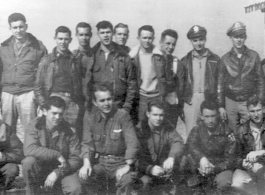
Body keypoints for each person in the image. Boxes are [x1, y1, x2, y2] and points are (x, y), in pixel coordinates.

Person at [79, 84, 139, 194]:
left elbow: (132, 143)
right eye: (102, 101)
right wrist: (86, 163)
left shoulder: (122, 116)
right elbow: (86, 143)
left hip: (120, 162)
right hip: (100, 163)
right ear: (94, 102)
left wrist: (128, 166)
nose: (106, 104)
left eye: (109, 99)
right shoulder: (90, 117)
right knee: (84, 176)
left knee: (127, 180)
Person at [0, 13, 47, 142]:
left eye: (21, 27)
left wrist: (38, 96)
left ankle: (30, 156)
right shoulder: (3, 47)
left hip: (27, 92)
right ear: (10, 28)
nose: (18, 30)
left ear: (26, 26)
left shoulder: (38, 46)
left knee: (30, 128)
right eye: (15, 27)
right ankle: (9, 157)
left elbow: (43, 74)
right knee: (7, 129)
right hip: (7, 92)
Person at [22, 96, 82, 195]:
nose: (57, 117)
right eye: (54, 113)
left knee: (75, 188)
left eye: (60, 114)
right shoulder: (35, 125)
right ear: (45, 111)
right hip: (40, 167)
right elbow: (29, 149)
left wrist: (57, 172)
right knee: (28, 162)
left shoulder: (69, 130)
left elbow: (75, 158)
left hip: (62, 169)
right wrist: (57, 155)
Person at [35, 26, 84, 139]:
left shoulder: (75, 60)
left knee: (70, 134)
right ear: (55, 39)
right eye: (60, 38)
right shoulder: (47, 60)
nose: (63, 42)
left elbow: (79, 83)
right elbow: (38, 86)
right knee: (52, 133)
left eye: (66, 39)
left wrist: (77, 103)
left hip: (70, 102)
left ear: (70, 40)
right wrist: (43, 105)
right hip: (52, 100)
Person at [220, 22, 265, 133]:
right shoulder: (225, 59)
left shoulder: (254, 56)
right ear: (231, 37)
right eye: (236, 37)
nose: (239, 40)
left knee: (250, 132)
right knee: (232, 133)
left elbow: (260, 81)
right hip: (230, 102)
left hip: (248, 101)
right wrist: (221, 106)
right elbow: (219, 84)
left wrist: (259, 102)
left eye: (241, 36)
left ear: (245, 37)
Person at [85, 21, 136, 116]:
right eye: (102, 33)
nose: (105, 36)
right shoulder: (91, 56)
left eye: (108, 32)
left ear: (112, 33)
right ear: (98, 34)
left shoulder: (123, 56)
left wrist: (127, 107)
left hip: (118, 107)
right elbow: (86, 83)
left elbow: (131, 84)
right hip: (97, 107)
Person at [186, 100, 236, 194]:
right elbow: (190, 145)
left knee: (224, 183)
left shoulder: (227, 132)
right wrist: (201, 158)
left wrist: (214, 169)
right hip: (200, 168)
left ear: (218, 115)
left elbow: (231, 160)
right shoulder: (197, 129)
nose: (210, 120)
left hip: (220, 169)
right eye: (207, 116)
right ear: (201, 116)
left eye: (213, 116)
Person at [181, 25, 223, 138]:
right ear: (190, 41)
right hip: (191, 101)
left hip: (208, 98)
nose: (198, 43)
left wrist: (219, 104)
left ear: (205, 39)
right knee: (192, 133)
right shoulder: (184, 61)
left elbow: (219, 83)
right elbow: (181, 85)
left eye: (201, 39)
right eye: (195, 40)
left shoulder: (214, 59)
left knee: (210, 133)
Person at [136, 99, 184, 194]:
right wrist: (149, 169)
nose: (158, 118)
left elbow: (177, 141)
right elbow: (135, 158)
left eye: (161, 115)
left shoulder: (167, 127)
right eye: (155, 115)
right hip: (144, 170)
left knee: (183, 160)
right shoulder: (139, 130)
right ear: (148, 114)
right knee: (145, 183)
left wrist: (171, 157)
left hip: (162, 169)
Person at [129, 25, 167, 122]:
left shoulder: (160, 56)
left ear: (153, 38)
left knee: (157, 124)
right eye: (144, 38)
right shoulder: (132, 57)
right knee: (140, 124)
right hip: (141, 97)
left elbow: (166, 77)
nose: (147, 41)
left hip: (156, 96)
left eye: (150, 38)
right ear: (138, 38)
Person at [232, 95, 265, 195]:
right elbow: (232, 156)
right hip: (247, 169)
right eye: (252, 111)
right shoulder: (241, 130)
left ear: (264, 109)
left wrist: (261, 152)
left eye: (258, 110)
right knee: (237, 183)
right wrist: (243, 163)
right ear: (247, 112)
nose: (256, 114)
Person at [159, 29, 185, 127]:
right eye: (168, 43)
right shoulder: (152, 59)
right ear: (160, 43)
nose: (170, 47)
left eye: (173, 44)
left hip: (169, 109)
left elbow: (180, 88)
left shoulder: (177, 64)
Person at [0, 120, 23, 195]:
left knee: (12, 169)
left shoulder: (5, 128)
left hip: (2, 165)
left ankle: (3, 186)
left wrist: (3, 156)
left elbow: (19, 152)